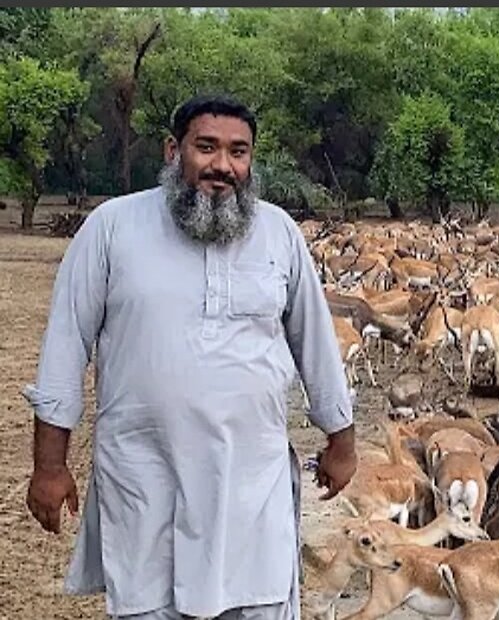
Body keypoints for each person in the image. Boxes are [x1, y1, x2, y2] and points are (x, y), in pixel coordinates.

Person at [23, 94, 358, 620]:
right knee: (148, 602)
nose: (222, 166)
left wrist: (341, 438)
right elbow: (64, 348)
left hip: (252, 482)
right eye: (207, 147)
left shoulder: (278, 233)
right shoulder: (112, 228)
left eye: (238, 152)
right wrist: (49, 465)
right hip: (146, 473)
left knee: (259, 599)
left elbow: (314, 340)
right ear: (173, 149)